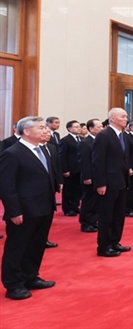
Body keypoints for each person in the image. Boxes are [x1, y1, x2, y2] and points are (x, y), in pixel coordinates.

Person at [0, 116, 60, 300]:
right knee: (17, 248)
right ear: (26, 131)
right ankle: (13, 285)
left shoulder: (43, 150)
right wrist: (14, 211)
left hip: (44, 207)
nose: (45, 130)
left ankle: (30, 277)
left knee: (36, 245)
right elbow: (6, 186)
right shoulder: (12, 153)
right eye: (41, 128)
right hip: (24, 210)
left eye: (45, 127)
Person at [92, 108, 132, 257]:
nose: (126, 119)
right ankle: (104, 246)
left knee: (118, 215)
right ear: (113, 119)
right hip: (108, 182)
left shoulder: (124, 135)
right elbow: (98, 161)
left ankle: (115, 242)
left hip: (122, 180)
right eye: (122, 116)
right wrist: (100, 183)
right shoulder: (104, 136)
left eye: (126, 116)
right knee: (106, 215)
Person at [78, 119, 102, 232]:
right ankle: (86, 223)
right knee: (89, 201)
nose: (101, 129)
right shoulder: (85, 142)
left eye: (102, 126)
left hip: (99, 176)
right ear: (91, 129)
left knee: (97, 201)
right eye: (98, 127)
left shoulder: (100, 140)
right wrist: (87, 177)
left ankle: (93, 221)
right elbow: (84, 161)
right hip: (89, 176)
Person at [58, 120, 82, 217]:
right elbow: (62, 156)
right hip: (70, 169)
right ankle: (68, 209)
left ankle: (75, 207)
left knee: (77, 189)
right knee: (68, 190)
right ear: (69, 128)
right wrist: (65, 169)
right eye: (76, 127)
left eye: (79, 127)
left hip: (79, 169)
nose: (79, 128)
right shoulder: (65, 140)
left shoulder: (81, 139)